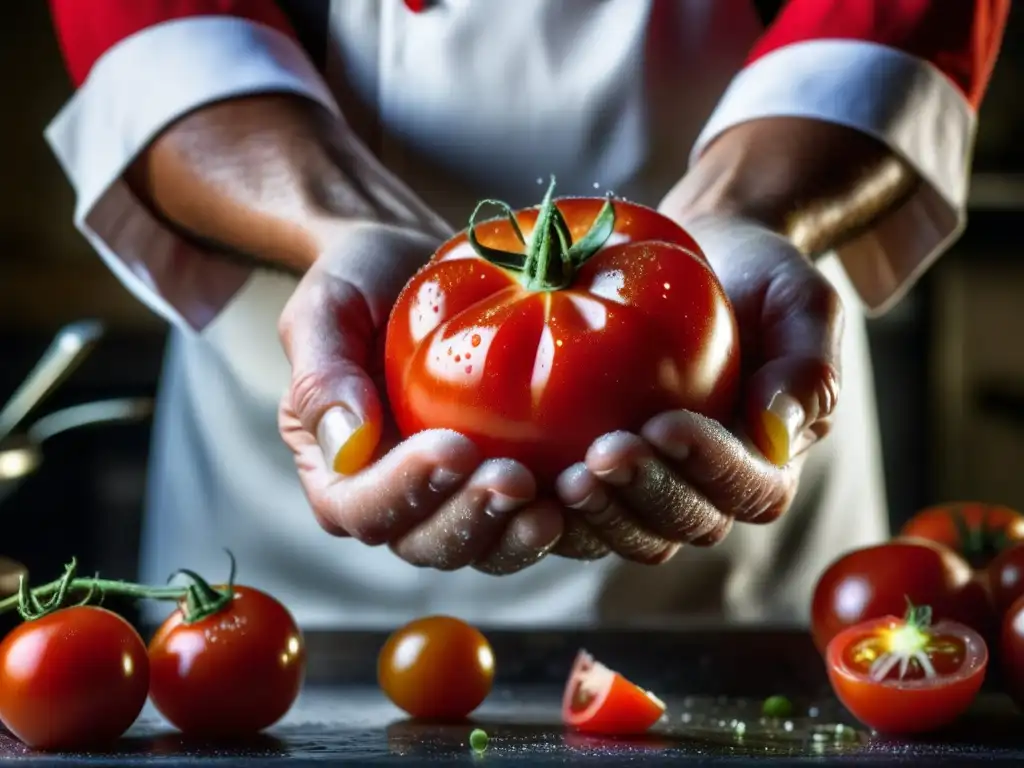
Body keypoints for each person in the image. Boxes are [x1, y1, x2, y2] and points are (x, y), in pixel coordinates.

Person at [44, 0, 1007, 628]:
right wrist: (340, 230)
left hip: (732, 401)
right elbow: (154, 28)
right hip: (286, 467)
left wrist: (743, 216)